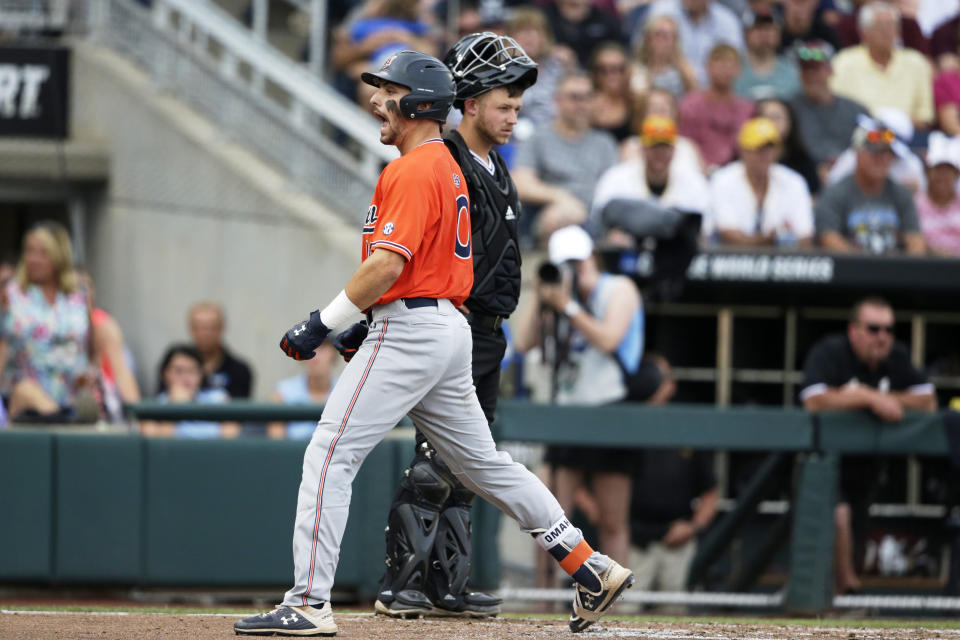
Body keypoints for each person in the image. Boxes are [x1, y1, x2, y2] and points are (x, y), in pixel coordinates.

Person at [234, 51, 634, 637]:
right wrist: (365, 321)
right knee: (484, 465)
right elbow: (415, 266)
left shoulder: (418, 168)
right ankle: (588, 565)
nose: (377, 100)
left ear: (420, 102)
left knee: (328, 454)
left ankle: (308, 602)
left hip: (415, 326)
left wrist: (323, 322)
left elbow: (387, 265)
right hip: (444, 327)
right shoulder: (446, 169)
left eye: (389, 91)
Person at [371, 32, 538, 619]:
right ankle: (402, 582)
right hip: (455, 325)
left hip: (491, 330)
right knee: (434, 463)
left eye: (517, 107)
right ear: (468, 102)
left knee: (469, 463)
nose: (513, 116)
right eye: (503, 105)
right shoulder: (447, 161)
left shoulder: (495, 164)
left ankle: (449, 583)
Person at [514, 225, 660, 593]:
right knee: (552, 516)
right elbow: (523, 342)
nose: (573, 272)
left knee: (612, 519)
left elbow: (609, 337)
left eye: (577, 264)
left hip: (609, 408)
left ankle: (616, 598)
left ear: (590, 259)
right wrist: (541, 295)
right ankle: (544, 600)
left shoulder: (618, 289)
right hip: (568, 411)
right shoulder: (559, 296)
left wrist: (569, 306)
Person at [800, 296, 937, 594]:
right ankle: (844, 592)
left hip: (866, 468)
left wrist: (872, 396)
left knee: (857, 543)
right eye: (874, 329)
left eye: (888, 329)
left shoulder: (895, 357)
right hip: (820, 463)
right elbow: (813, 400)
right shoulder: (831, 351)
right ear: (854, 331)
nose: (883, 337)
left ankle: (842, 603)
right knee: (839, 517)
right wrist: (869, 398)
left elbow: (927, 400)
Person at [512, 71, 620, 241]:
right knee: (559, 218)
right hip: (553, 217)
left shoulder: (605, 143)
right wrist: (560, 197)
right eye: (574, 97)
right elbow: (521, 183)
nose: (581, 104)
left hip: (595, 219)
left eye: (586, 97)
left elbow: (615, 189)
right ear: (557, 100)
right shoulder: (538, 138)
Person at [0, 222, 90, 422]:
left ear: (59, 256)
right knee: (27, 390)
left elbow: (84, 349)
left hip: (70, 398)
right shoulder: (10, 295)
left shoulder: (77, 297)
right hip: (22, 401)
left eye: (43, 253)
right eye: (29, 251)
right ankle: (62, 423)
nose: (34, 259)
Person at [591, 115, 712, 245]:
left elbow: (704, 228)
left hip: (676, 254)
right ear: (642, 149)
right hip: (627, 254)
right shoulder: (616, 177)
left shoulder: (693, 182)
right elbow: (599, 217)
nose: (660, 153)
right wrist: (612, 233)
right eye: (654, 147)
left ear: (674, 150)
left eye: (665, 147)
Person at [815, 121, 927, 255]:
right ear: (857, 153)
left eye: (888, 153)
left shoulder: (902, 194)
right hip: (850, 272)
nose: (883, 159)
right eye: (875, 153)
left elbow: (915, 241)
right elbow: (829, 239)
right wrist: (869, 268)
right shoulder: (835, 193)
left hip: (895, 271)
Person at [710, 117, 815, 248]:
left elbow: (805, 237)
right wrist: (772, 240)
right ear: (743, 150)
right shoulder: (723, 179)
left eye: (770, 148)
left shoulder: (794, 181)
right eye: (758, 148)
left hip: (781, 264)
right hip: (728, 263)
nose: (765, 154)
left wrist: (772, 240)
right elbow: (728, 235)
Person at [829, 2, 934, 130]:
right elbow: (835, 111)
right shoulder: (844, 62)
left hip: (907, 137)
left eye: (891, 25)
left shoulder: (916, 62)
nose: (886, 31)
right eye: (879, 26)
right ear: (863, 32)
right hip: (857, 137)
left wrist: (894, 126)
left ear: (899, 32)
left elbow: (925, 116)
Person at [788, 39, 870, 187]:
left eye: (817, 69)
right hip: (803, 181)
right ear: (799, 74)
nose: (811, 76)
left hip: (852, 180)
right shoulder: (789, 110)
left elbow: (877, 141)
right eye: (806, 70)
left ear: (831, 71)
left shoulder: (856, 110)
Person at [76, 269, 141, 423]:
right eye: (74, 289)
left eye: (85, 288)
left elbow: (125, 383)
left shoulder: (105, 327)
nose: (81, 296)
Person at [678, 43, 755, 171]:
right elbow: (683, 145)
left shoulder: (747, 110)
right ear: (707, 67)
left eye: (730, 63)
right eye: (719, 62)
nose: (725, 68)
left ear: (739, 69)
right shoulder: (690, 105)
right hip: (695, 172)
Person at [141, 344, 239, 439]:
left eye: (192, 371)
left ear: (201, 374)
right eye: (178, 371)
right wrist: (174, 408)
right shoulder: (153, 407)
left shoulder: (219, 398)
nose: (186, 378)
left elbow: (230, 437)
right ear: (164, 374)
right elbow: (160, 447)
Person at [644, 0, 745, 86]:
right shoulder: (663, 10)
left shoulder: (727, 21)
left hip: (713, 88)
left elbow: (733, 62)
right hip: (669, 81)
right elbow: (645, 51)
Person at [267, 341, 338, 440]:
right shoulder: (283, 392)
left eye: (322, 348)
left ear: (333, 352)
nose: (315, 355)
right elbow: (277, 442)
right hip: (293, 454)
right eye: (310, 347)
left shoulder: (349, 391)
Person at [186, 301, 253, 399]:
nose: (205, 333)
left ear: (222, 327)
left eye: (211, 327)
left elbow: (240, 410)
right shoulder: (176, 368)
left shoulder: (239, 370)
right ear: (191, 328)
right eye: (200, 327)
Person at [734, 6, 801, 101]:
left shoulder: (792, 72)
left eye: (770, 29)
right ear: (746, 34)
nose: (764, 34)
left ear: (779, 34)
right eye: (758, 29)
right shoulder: (733, 70)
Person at [631, 14, 698, 100]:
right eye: (659, 34)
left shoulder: (685, 69)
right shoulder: (637, 69)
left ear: (676, 41)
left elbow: (694, 100)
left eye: (669, 35)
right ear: (648, 39)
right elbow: (639, 102)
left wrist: (684, 72)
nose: (663, 40)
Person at [915, 132, 960, 257]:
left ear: (956, 174)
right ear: (928, 172)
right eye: (937, 170)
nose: (942, 176)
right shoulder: (915, 204)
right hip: (928, 270)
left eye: (948, 170)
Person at [544, 0, 625, 69]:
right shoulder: (544, 17)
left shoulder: (606, 21)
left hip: (596, 73)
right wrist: (549, 50)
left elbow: (621, 50)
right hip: (552, 73)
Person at [589, 42, 637, 147]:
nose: (611, 75)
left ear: (627, 71)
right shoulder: (586, 104)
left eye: (618, 69)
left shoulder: (637, 103)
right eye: (603, 70)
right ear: (594, 73)